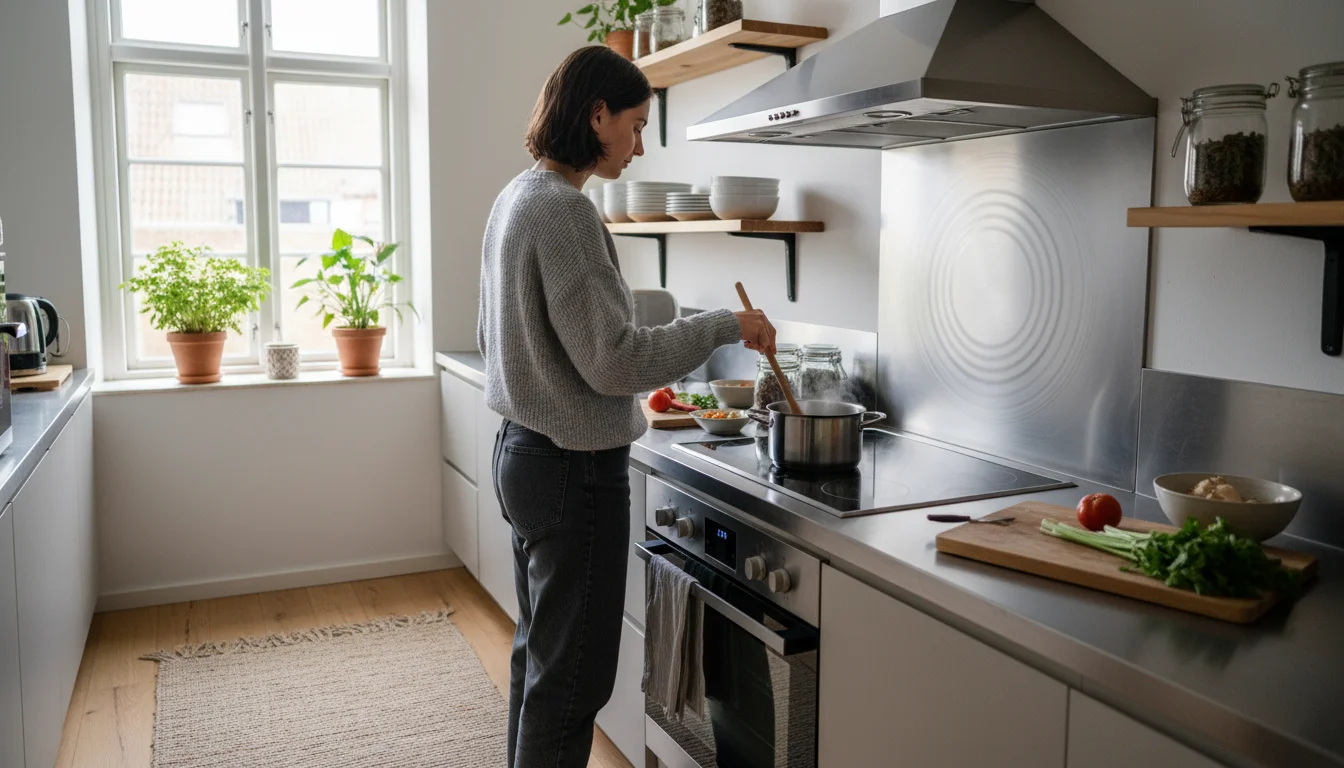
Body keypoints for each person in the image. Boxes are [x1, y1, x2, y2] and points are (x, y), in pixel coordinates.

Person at [477, 45, 777, 768]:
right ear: (597, 114)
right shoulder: (566, 213)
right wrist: (724, 326)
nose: (640, 146)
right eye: (637, 126)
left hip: (523, 452)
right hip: (573, 469)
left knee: (541, 662)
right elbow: (613, 362)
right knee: (573, 682)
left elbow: (519, 333)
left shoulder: (517, 196)